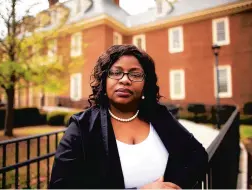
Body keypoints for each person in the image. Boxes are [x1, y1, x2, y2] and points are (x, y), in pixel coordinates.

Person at [48, 45, 208, 189]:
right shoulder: (81, 127)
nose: (125, 80)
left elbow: (198, 154)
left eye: (135, 74)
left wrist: (174, 185)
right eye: (116, 73)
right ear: (104, 81)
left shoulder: (159, 116)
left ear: (146, 84)